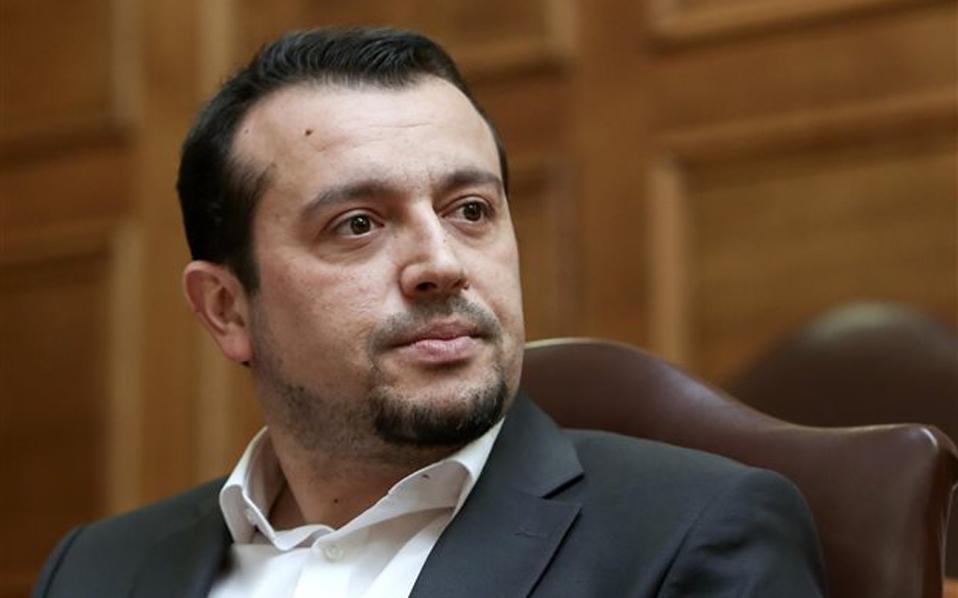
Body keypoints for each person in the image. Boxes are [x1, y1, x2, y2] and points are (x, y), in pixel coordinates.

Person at [32, 27, 825, 598]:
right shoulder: (95, 571)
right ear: (227, 309)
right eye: (358, 224)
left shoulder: (692, 536)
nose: (442, 264)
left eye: (470, 209)